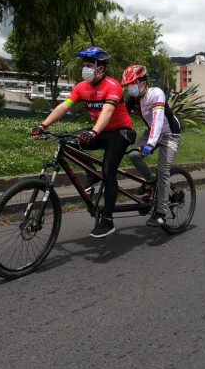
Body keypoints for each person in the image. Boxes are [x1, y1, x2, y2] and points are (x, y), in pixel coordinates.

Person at [31, 47, 135, 238]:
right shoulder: (82, 87)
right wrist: (43, 125)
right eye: (84, 65)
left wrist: (94, 131)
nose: (85, 69)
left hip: (120, 133)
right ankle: (91, 174)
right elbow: (64, 107)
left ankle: (108, 220)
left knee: (108, 172)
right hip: (101, 131)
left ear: (101, 68)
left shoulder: (113, 86)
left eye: (89, 65)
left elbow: (108, 111)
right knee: (68, 142)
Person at [121, 65, 181, 228]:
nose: (130, 88)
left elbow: (157, 120)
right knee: (134, 155)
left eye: (133, 83)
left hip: (170, 134)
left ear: (143, 82)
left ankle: (161, 213)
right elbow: (121, 116)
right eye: (128, 85)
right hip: (151, 132)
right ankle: (149, 181)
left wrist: (150, 144)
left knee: (163, 171)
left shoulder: (156, 94)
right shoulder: (132, 99)